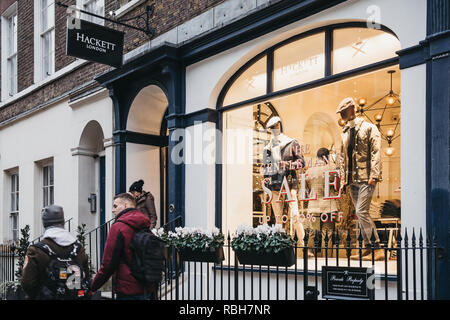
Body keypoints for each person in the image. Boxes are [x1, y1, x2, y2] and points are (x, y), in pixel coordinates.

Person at [336, 97, 384, 261]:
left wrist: (375, 175)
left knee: (361, 211)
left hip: (366, 177)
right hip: (352, 180)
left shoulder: (369, 128)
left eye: (344, 110)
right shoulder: (345, 133)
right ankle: (367, 248)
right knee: (359, 214)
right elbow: (342, 159)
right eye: (341, 112)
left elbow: (376, 152)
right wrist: (343, 181)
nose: (342, 114)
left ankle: (377, 248)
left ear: (353, 109)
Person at [88, 193, 157, 300]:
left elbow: (108, 264)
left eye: (115, 206)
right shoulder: (145, 225)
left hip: (128, 291)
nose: (112, 210)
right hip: (148, 289)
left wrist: (93, 287)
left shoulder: (118, 227)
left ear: (125, 206)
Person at [21, 205, 90, 300]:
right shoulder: (78, 249)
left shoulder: (36, 250)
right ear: (63, 221)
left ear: (44, 223)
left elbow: (27, 283)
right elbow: (86, 277)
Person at [262, 116, 306, 245]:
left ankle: (302, 244)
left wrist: (286, 165)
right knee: (279, 217)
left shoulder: (291, 142)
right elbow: (265, 169)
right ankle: (280, 245)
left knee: (295, 214)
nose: (274, 130)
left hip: (289, 183)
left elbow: (301, 162)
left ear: (279, 125)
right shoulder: (267, 148)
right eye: (271, 128)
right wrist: (267, 183)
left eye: (275, 126)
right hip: (275, 185)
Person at [305, 148, 340, 243]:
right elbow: (337, 187)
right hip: (328, 206)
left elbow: (305, 191)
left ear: (317, 157)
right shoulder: (332, 169)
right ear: (327, 157)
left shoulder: (309, 171)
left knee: (312, 232)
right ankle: (327, 257)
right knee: (327, 234)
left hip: (313, 206)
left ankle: (310, 255)